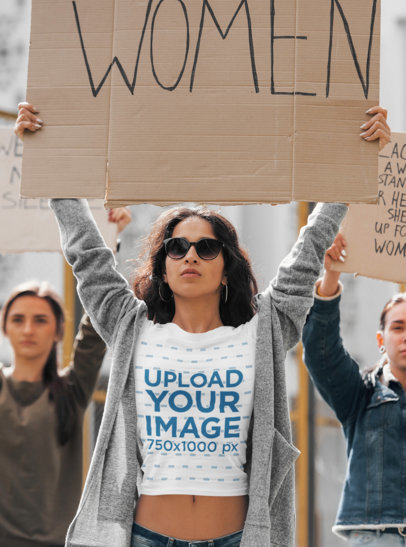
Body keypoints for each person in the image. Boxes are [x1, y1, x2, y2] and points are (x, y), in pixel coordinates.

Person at [15, 103, 390, 547]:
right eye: (176, 247)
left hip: (236, 538)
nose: (190, 256)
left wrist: (354, 159)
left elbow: (310, 247)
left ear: (227, 266)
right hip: (145, 537)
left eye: (206, 248)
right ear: (162, 265)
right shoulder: (130, 324)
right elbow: (87, 255)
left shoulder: (263, 328)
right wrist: (48, 155)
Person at [0, 209, 131, 547]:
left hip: (59, 542)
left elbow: (96, 324)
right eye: (18, 319)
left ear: (58, 330)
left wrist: (110, 238)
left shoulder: (70, 391)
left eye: (40, 320)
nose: (28, 329)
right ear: (5, 327)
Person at [302, 233, 406, 546]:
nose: (405, 337)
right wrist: (331, 276)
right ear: (381, 341)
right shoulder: (361, 395)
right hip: (377, 536)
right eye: (398, 328)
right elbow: (322, 352)